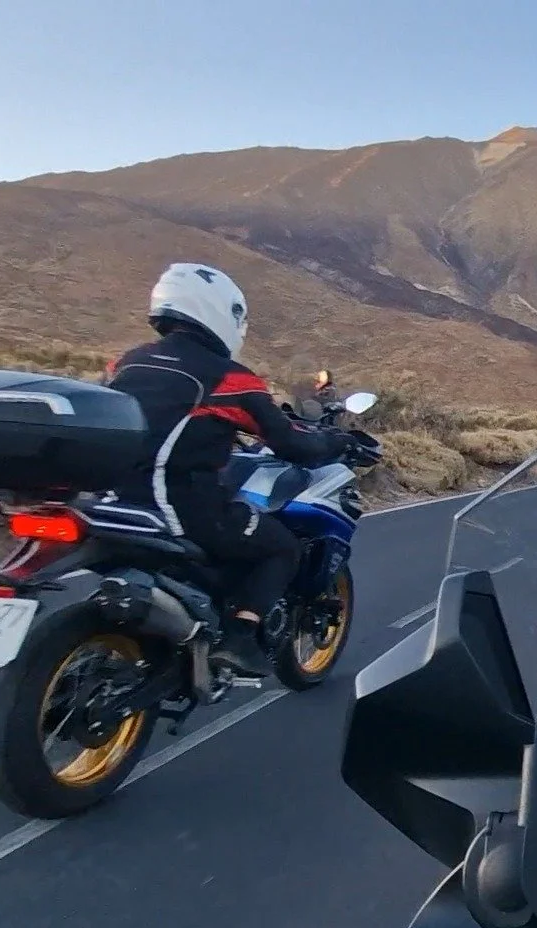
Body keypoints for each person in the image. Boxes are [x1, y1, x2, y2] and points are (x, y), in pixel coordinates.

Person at [105, 262, 352, 678]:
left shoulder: (127, 363)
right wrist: (338, 441)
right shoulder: (230, 379)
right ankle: (240, 637)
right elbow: (291, 442)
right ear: (217, 311)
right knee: (281, 547)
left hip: (110, 499)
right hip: (178, 506)